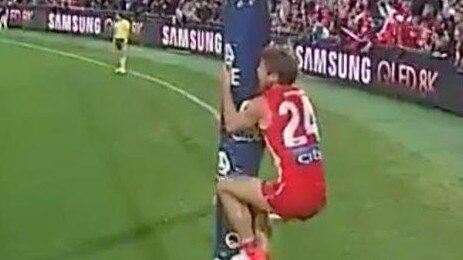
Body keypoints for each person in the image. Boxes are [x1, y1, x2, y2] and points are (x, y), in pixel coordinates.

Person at [217, 46, 327, 260]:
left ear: (273, 76)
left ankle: (250, 252)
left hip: (293, 194)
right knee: (259, 201)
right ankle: (262, 252)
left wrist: (224, 86)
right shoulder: (301, 97)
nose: (256, 71)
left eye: (260, 68)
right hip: (318, 192)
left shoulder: (262, 103)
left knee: (225, 187)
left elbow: (231, 124)